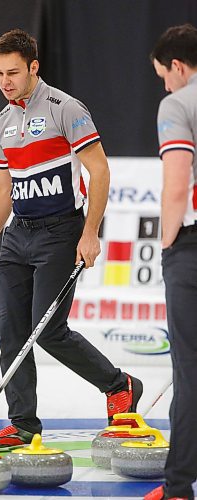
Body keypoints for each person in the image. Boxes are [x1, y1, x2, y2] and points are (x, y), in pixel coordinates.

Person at [0, 29, 143, 451]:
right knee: (11, 333)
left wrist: (90, 233)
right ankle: (23, 423)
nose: (4, 81)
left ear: (34, 67)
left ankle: (119, 385)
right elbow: (5, 186)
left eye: (13, 72)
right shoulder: (5, 121)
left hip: (60, 233)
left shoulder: (65, 108)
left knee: (48, 331)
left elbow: (99, 171)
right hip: (17, 238)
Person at [145, 24, 197, 500]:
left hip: (193, 247)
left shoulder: (179, 104)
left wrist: (168, 245)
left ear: (178, 67)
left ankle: (178, 487)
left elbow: (176, 185)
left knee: (190, 368)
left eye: (164, 74)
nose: (165, 84)